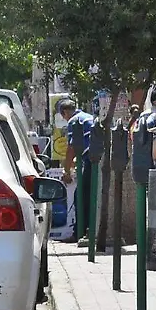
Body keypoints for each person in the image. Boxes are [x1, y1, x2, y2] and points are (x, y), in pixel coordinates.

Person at [58, 99, 97, 243]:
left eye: (63, 115)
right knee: (88, 195)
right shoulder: (88, 117)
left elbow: (71, 149)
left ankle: (79, 232)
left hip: (91, 161)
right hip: (97, 159)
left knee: (79, 196)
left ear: (65, 112)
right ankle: (87, 230)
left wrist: (66, 171)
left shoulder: (74, 121)